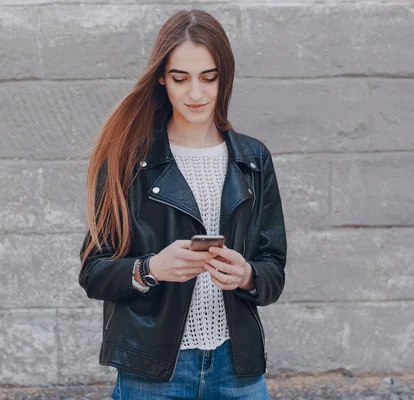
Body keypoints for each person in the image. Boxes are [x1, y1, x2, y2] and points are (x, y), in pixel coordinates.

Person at [79, 9, 286, 400]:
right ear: (161, 78)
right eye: (180, 78)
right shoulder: (126, 161)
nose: (196, 93)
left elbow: (274, 270)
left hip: (236, 368)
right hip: (153, 371)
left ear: (224, 76)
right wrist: (151, 268)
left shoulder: (254, 160)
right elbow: (93, 271)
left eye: (209, 77)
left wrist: (246, 275)